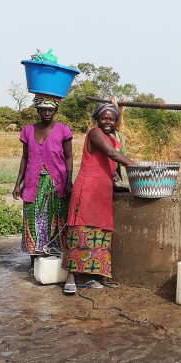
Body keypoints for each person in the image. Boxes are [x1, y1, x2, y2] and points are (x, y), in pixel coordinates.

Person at [62, 103, 136, 294]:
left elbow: (111, 162)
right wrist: (139, 166)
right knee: (80, 228)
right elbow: (111, 154)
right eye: (104, 118)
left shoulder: (110, 138)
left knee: (98, 231)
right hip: (88, 188)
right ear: (97, 119)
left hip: (102, 190)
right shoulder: (94, 133)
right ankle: (71, 276)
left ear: (116, 121)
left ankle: (89, 277)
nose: (108, 121)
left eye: (111, 118)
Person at [12, 95, 73, 271]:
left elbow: (68, 157)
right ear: (38, 110)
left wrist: (68, 181)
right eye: (43, 109)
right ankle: (34, 262)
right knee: (32, 219)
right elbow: (25, 158)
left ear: (55, 111)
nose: (47, 113)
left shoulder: (63, 130)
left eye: (50, 109)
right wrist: (18, 184)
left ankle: (54, 262)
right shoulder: (28, 130)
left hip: (57, 184)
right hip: (33, 183)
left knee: (55, 219)